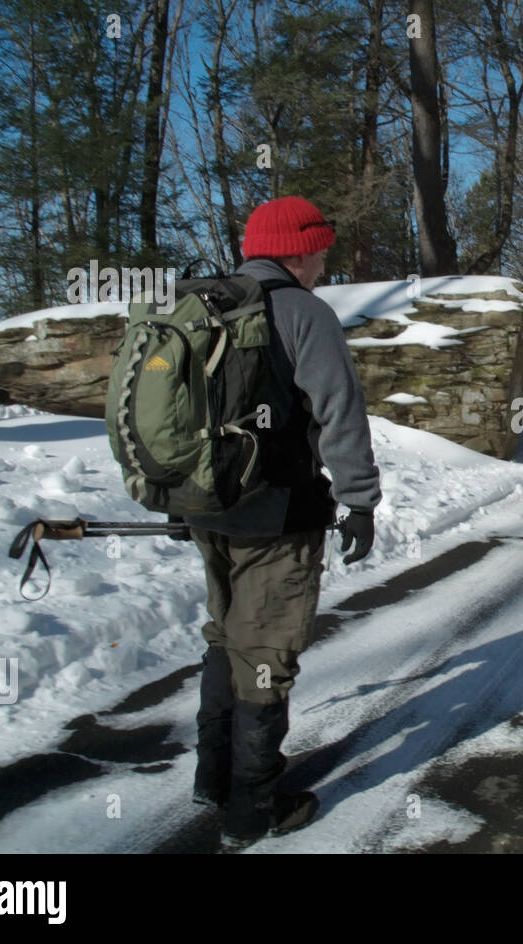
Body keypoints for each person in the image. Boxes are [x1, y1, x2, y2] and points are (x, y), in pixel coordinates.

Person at [186, 195, 381, 849]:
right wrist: (359, 501)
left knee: (224, 637)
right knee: (265, 656)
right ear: (297, 251)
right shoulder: (304, 314)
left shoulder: (205, 305)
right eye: (321, 252)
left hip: (208, 507)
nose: (324, 264)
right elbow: (339, 415)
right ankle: (253, 809)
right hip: (279, 517)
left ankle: (213, 777)